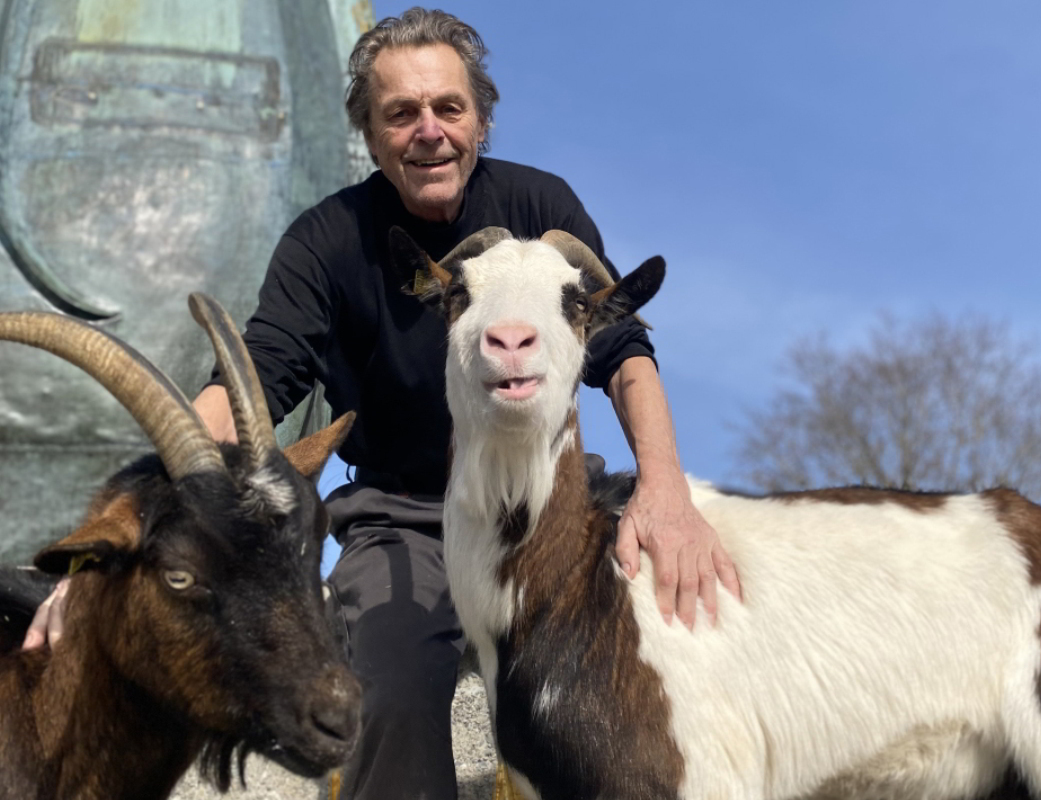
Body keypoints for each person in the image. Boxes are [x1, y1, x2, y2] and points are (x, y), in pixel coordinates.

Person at [26, 7, 741, 799]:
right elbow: (255, 379)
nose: (429, 130)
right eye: (401, 113)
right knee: (390, 694)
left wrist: (666, 490)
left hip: (550, 512)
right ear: (369, 136)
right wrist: (100, 570)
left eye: (449, 108)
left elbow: (623, 351)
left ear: (481, 121)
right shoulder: (327, 240)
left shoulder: (543, 206)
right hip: (405, 521)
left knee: (658, 666)